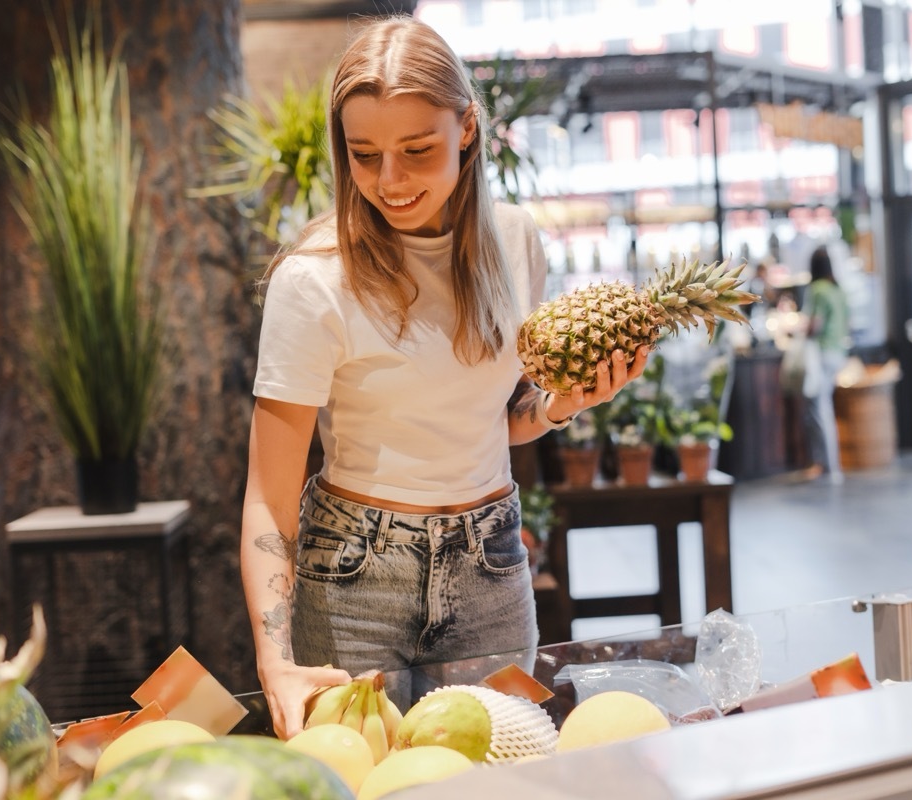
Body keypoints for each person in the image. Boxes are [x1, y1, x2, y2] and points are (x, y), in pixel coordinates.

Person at [240, 15, 649, 741]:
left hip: (492, 565)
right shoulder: (313, 279)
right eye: (364, 156)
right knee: (367, 780)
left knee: (507, 773)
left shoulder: (516, 242)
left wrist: (563, 407)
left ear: (466, 129)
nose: (389, 182)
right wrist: (276, 661)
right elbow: (270, 499)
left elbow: (503, 416)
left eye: (416, 151)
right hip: (355, 579)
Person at [802, 246, 850, 483]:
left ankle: (829, 466)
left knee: (819, 410)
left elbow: (814, 325)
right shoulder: (837, 289)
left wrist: (799, 329)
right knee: (823, 407)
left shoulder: (818, 289)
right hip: (838, 353)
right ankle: (828, 465)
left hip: (821, 353)